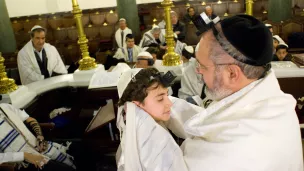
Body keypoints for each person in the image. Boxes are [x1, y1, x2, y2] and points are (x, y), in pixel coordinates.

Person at [173, 14, 303, 170]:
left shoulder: (234, 150)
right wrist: (167, 106)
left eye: (202, 66)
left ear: (232, 73)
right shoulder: (267, 99)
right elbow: (210, 121)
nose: (198, 71)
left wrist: (145, 126)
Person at [116, 68, 197, 171]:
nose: (170, 103)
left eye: (167, 95)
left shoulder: (141, 120)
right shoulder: (153, 140)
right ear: (137, 104)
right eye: (160, 99)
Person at [0, 103, 75, 170]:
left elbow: (30, 119)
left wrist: (40, 136)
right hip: (22, 162)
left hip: (38, 146)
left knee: (75, 155)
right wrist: (24, 155)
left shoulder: (4, 107)